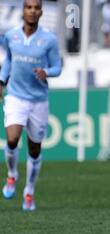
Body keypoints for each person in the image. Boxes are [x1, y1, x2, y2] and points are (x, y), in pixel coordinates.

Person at [0, 0, 62, 211]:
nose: (32, 11)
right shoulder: (11, 36)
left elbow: (57, 67)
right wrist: (1, 81)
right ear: (23, 10)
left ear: (41, 12)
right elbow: (8, 60)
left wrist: (47, 72)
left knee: (34, 150)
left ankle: (29, 191)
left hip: (38, 100)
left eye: (36, 8)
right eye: (29, 7)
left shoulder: (49, 39)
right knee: (12, 139)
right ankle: (12, 175)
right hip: (16, 96)